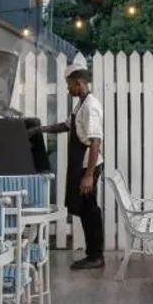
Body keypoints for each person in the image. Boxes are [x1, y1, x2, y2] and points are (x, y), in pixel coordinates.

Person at [40, 63, 105, 269]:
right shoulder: (80, 105)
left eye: (69, 85)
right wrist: (39, 129)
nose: (68, 89)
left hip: (88, 166)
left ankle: (95, 256)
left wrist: (89, 175)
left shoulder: (91, 106)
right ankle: (93, 254)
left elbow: (95, 141)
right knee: (86, 210)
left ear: (78, 82)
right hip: (83, 166)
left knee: (90, 210)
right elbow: (66, 126)